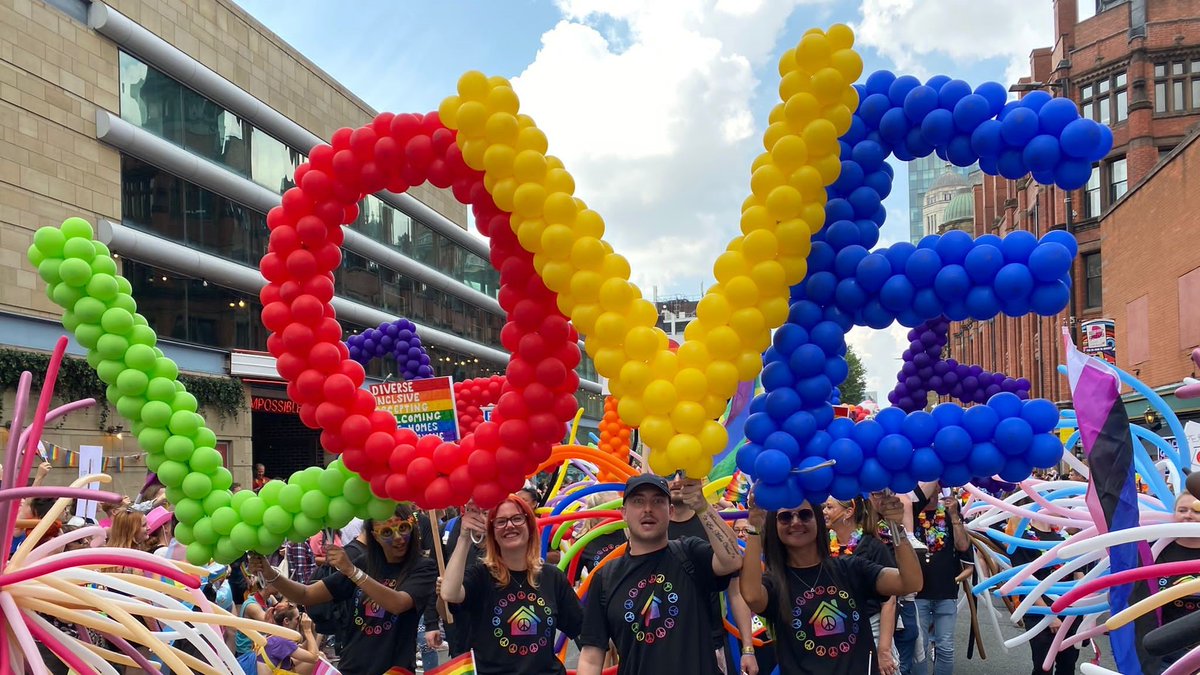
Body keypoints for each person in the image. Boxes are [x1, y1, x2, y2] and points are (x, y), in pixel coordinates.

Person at [576, 474, 743, 675]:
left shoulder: (689, 554)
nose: (648, 509)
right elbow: (591, 657)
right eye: (638, 501)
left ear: (670, 511)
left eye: (657, 501)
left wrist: (702, 506)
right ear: (624, 513)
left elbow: (733, 559)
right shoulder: (605, 578)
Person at [740, 493, 922, 675]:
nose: (795, 522)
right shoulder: (775, 583)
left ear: (818, 520)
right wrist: (755, 527)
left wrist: (897, 527)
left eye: (805, 515)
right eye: (785, 517)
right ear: (775, 526)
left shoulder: (850, 569)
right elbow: (751, 596)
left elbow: (910, 582)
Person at [249, 503, 437, 675]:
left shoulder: (422, 566)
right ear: (375, 536)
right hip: (352, 667)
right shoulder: (365, 563)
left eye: (403, 528)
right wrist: (270, 573)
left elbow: (398, 603)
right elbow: (306, 594)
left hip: (394, 670)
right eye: (387, 532)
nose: (398, 538)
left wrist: (352, 571)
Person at [441, 494, 583, 674]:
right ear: (492, 532)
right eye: (500, 521)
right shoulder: (481, 576)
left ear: (530, 526)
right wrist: (464, 537)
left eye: (517, 519)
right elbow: (449, 594)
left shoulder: (552, 577)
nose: (509, 525)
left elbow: (583, 630)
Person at [666, 474, 752, 674]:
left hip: (709, 641)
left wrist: (748, 648)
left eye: (684, 473)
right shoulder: (651, 527)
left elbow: (736, 590)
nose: (678, 480)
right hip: (663, 643)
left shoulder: (710, 524)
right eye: (669, 474)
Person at [825, 497, 901, 675]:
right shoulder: (823, 547)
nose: (824, 512)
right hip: (834, 629)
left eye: (829, 507)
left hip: (870, 627)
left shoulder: (873, 547)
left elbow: (889, 601)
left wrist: (883, 649)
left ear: (848, 512)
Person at [1008, 510, 1080, 675]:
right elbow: (1025, 579)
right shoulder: (1024, 539)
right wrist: (1050, 616)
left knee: (1067, 667)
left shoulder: (1066, 538)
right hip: (1040, 610)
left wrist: (1082, 610)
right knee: (1042, 668)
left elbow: (1080, 574)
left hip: (1070, 611)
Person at [909, 484, 972, 675]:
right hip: (917, 593)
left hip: (945, 592)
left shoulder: (950, 516)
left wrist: (954, 516)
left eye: (935, 489)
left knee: (945, 646)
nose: (931, 493)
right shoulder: (910, 514)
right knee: (919, 647)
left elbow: (962, 547)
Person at [1152, 492, 1200, 668]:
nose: (1189, 515)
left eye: (1196, 511)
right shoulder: (1155, 550)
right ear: (1174, 514)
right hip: (1165, 647)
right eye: (1182, 510)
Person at [241, 600, 321, 675]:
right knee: (319, 659)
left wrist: (312, 630)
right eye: (297, 619)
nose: (299, 622)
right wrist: (307, 630)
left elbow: (302, 651)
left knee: (320, 655)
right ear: (286, 621)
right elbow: (314, 658)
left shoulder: (272, 635)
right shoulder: (281, 641)